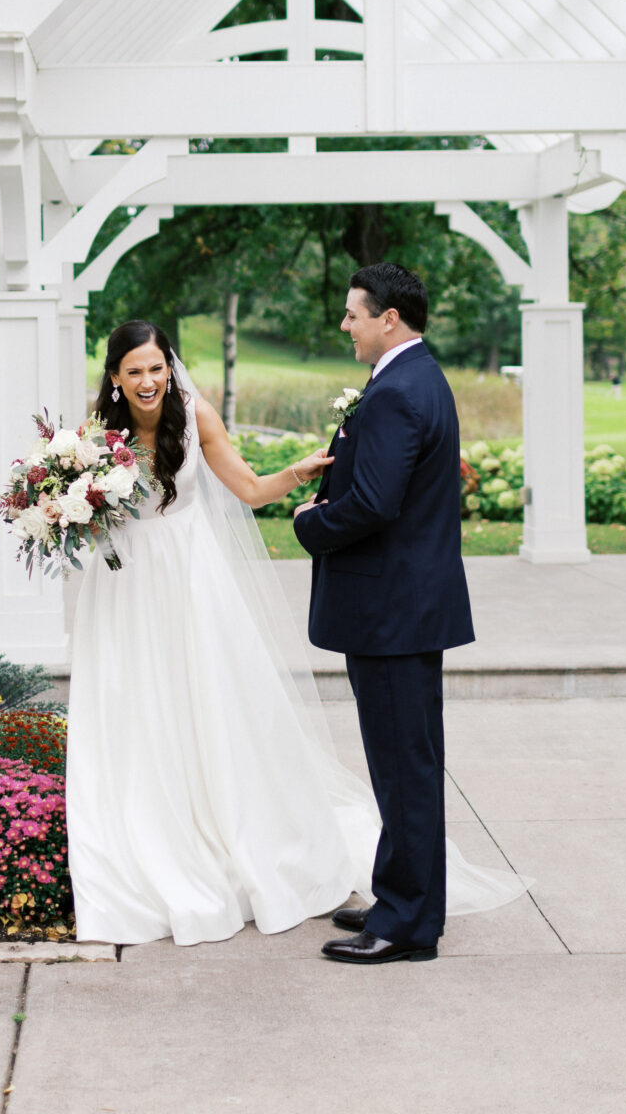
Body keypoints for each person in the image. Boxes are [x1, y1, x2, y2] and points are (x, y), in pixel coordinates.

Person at [66, 315, 527, 949]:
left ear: (169, 369)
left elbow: (251, 490)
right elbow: (88, 522)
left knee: (209, 709)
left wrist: (303, 473)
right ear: (115, 379)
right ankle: (145, 838)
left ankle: (247, 844)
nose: (148, 381)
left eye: (157, 368)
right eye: (134, 371)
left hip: (191, 589)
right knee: (134, 711)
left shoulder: (195, 417)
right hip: (126, 594)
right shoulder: (93, 440)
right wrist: (58, 512)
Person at [293, 262, 476, 965]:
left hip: (392, 609)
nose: (345, 325)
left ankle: (406, 926)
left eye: (351, 314)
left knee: (403, 768)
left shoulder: (399, 390)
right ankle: (404, 896)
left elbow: (372, 504)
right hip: (403, 606)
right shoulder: (413, 377)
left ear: (387, 319)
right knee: (403, 764)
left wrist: (312, 521)